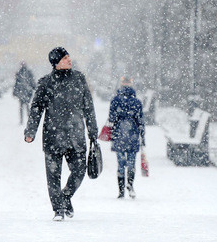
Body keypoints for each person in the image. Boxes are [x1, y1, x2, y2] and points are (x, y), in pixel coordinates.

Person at [24, 47, 99, 221]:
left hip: (76, 136)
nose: (69, 59)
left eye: (68, 56)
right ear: (56, 62)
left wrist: (92, 131)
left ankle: (65, 197)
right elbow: (36, 109)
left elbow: (88, 107)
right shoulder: (45, 83)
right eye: (65, 58)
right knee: (53, 176)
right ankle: (58, 209)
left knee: (79, 171)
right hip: (53, 136)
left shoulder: (79, 79)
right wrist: (30, 131)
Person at [107, 76, 145, 199]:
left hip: (119, 134)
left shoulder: (115, 100)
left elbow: (111, 118)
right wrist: (142, 137)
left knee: (121, 163)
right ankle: (130, 185)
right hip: (133, 134)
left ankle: (121, 190)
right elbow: (140, 121)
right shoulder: (137, 102)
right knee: (131, 162)